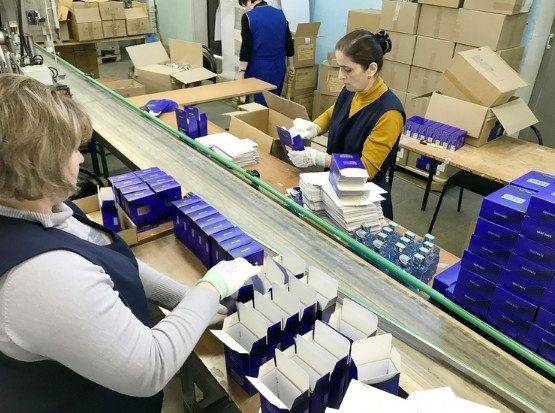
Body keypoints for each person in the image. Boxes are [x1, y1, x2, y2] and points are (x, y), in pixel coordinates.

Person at [0, 74, 260, 412]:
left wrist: (189, 300)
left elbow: (112, 259)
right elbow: (150, 368)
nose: (81, 160)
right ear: (37, 162)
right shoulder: (38, 276)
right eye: (72, 150)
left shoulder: (44, 207)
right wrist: (211, 287)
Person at [288, 30, 405, 220]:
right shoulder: (353, 90)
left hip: (362, 202)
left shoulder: (389, 113)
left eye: (348, 70)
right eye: (339, 68)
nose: (341, 76)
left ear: (371, 69)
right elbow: (333, 113)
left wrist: (318, 158)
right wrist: (313, 128)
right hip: (335, 187)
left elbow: (366, 169)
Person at [236, 0, 295, 105]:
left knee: (256, 105)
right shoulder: (280, 14)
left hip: (258, 69)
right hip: (278, 68)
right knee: (273, 103)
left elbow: (246, 46)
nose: (246, 9)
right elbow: (288, 41)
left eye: (245, 6)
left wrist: (241, 71)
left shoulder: (248, 17)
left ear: (248, 1)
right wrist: (290, 65)